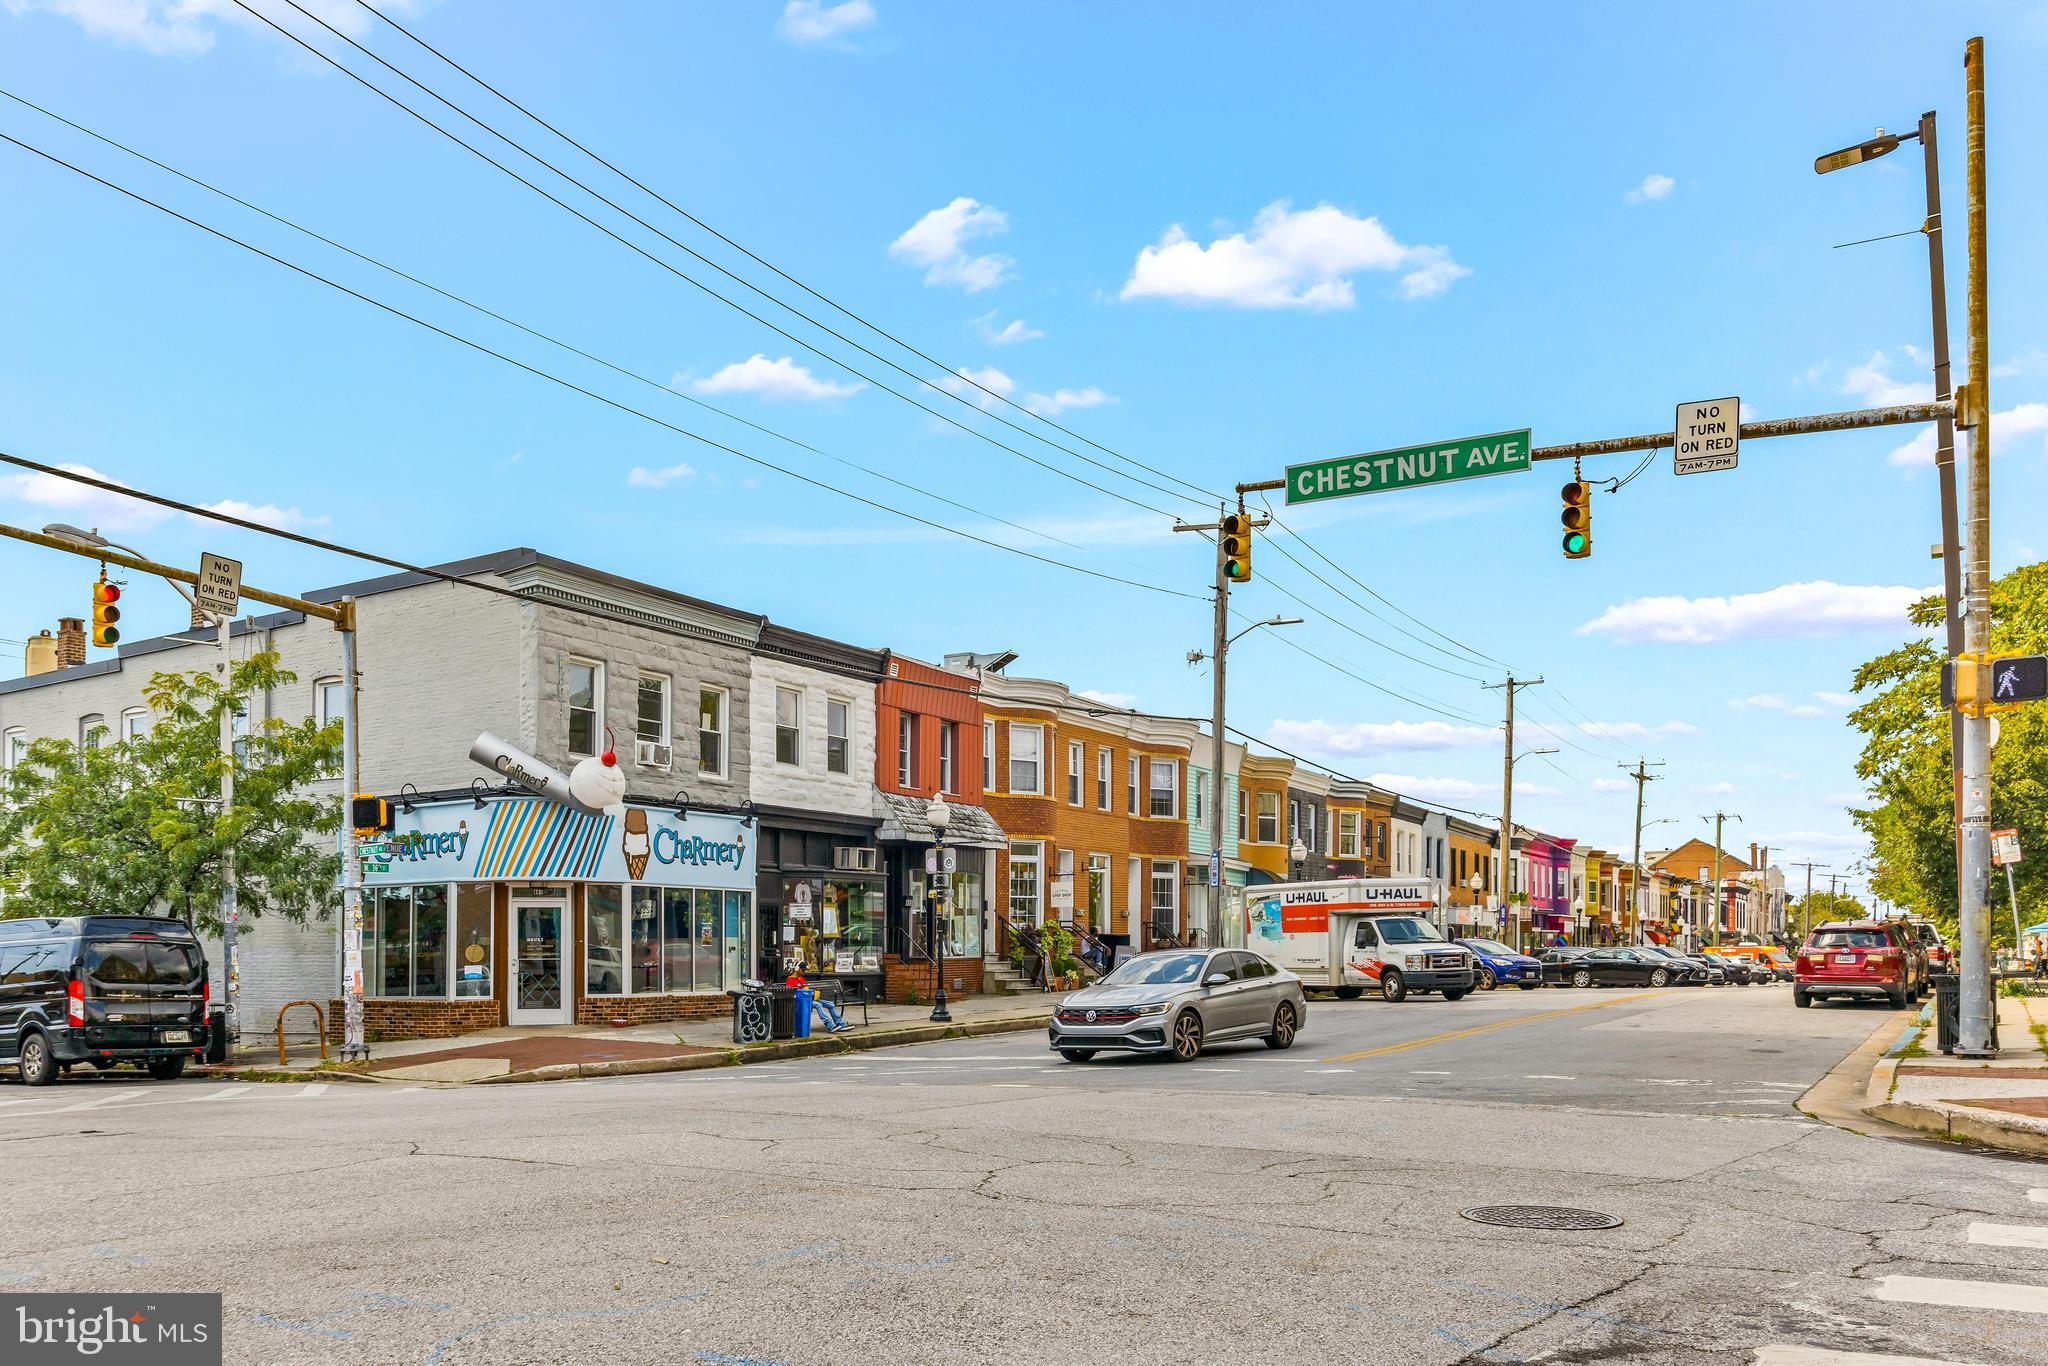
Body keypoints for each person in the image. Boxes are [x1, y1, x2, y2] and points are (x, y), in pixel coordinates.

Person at [786, 972, 852, 1033]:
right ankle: (830, 1026)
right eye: (803, 970)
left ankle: (841, 1024)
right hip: (801, 1001)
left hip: (810, 998)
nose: (804, 971)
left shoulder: (801, 979)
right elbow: (791, 993)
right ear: (797, 969)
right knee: (818, 1005)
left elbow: (806, 989)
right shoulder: (790, 979)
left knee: (830, 1004)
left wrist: (813, 992)